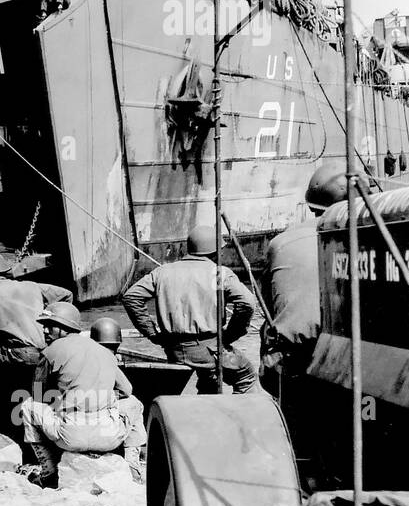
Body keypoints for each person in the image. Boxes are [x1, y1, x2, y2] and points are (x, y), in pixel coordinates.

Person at [18, 303, 147, 487]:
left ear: (64, 328)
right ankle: (133, 468)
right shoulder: (104, 351)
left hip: (69, 437)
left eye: (49, 325)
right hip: (109, 435)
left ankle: (49, 472)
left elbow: (39, 395)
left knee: (28, 405)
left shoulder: (50, 352)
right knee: (134, 403)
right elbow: (127, 390)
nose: (45, 330)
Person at [122, 223, 260, 395]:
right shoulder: (217, 273)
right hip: (210, 349)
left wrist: (152, 333)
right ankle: (234, 418)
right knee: (246, 376)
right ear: (215, 251)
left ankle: (205, 405)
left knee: (210, 381)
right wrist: (231, 334)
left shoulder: (163, 272)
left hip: (174, 350)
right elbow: (247, 303)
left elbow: (131, 297)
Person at [0, 250, 63, 435]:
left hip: (17, 354)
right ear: (5, 271)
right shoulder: (32, 286)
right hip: (44, 352)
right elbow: (66, 296)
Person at [261, 165, 347, 387]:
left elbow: (269, 303)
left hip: (289, 361)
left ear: (311, 205)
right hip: (346, 360)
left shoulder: (280, 243)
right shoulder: (363, 238)